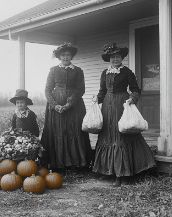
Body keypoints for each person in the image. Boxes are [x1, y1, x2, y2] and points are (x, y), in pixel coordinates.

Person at [91, 43, 156, 186]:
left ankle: (124, 174)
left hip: (121, 105)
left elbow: (136, 89)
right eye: (113, 57)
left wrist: (132, 99)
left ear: (122, 58)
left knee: (121, 137)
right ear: (109, 58)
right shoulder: (104, 73)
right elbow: (102, 91)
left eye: (118, 57)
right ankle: (109, 171)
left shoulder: (127, 72)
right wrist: (97, 98)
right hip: (107, 107)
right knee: (109, 136)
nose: (115, 59)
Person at [40, 43, 94, 171]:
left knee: (74, 131)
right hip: (56, 107)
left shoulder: (78, 71)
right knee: (58, 131)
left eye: (68, 54)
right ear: (59, 56)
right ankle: (57, 164)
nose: (65, 57)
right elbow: (47, 89)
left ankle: (77, 163)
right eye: (63, 55)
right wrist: (54, 105)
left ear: (72, 56)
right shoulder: (53, 70)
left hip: (75, 107)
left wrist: (69, 103)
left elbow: (80, 89)